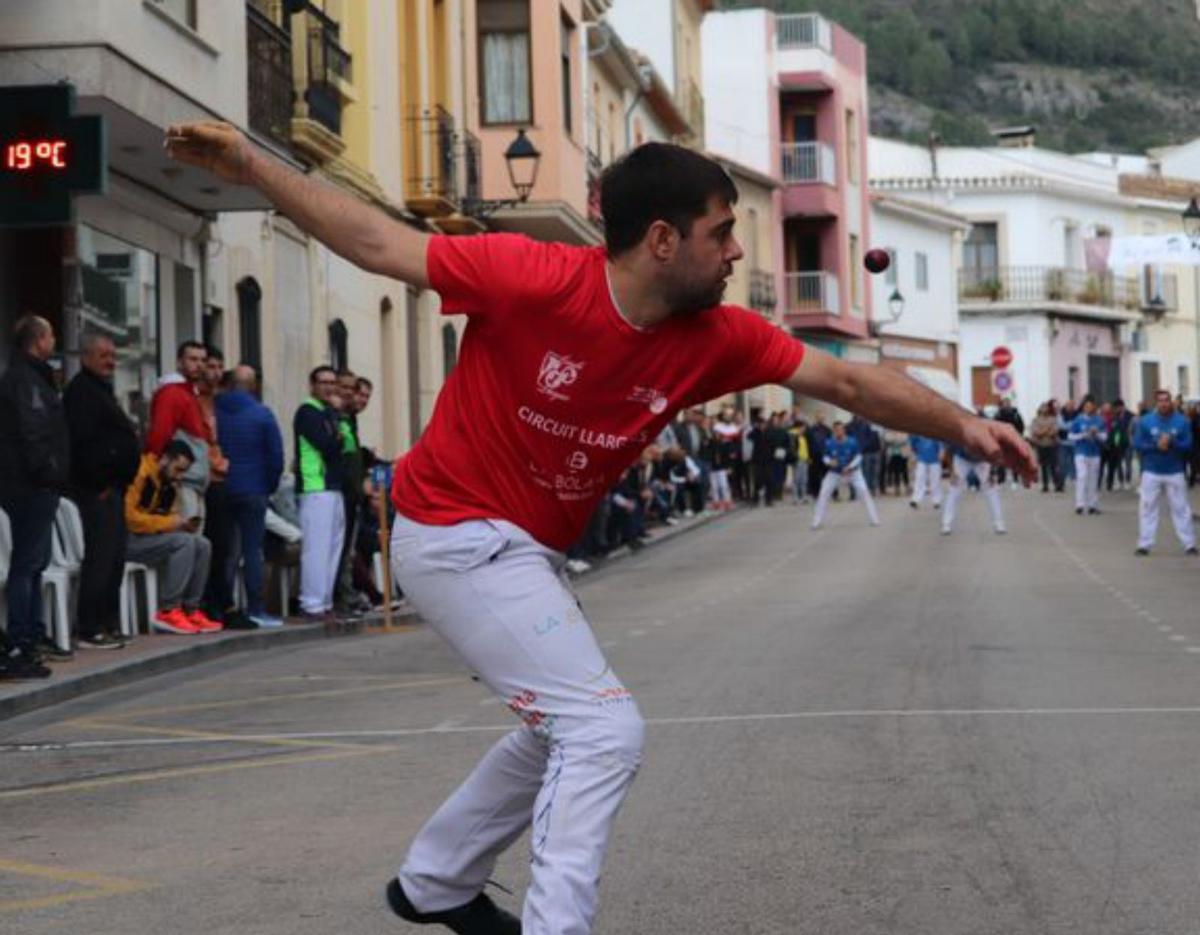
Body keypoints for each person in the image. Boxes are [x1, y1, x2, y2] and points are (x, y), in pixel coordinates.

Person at [167, 122, 1034, 935]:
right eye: (722, 232)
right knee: (602, 728)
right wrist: (251, 163)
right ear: (663, 240)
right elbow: (377, 242)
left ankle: (433, 883)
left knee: (561, 723)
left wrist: (964, 424)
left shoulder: (714, 337)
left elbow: (846, 384)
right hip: (453, 530)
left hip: (524, 551)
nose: (737, 251)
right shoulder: (532, 277)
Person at [0, 315, 69, 678]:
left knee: (35, 564)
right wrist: (50, 472)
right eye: (52, 335)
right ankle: (19, 644)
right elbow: (34, 433)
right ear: (39, 340)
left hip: (33, 484)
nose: (54, 341)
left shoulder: (29, 377)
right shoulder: (26, 381)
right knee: (27, 565)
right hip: (31, 486)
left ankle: (29, 639)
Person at [64, 332, 141, 649]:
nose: (110, 361)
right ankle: (90, 627)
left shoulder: (103, 390)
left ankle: (108, 622)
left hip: (114, 488)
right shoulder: (81, 393)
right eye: (103, 355)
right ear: (85, 357)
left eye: (112, 356)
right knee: (100, 557)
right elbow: (80, 445)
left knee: (115, 558)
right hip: (97, 490)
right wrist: (99, 483)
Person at [124, 441, 222, 634]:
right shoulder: (140, 473)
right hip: (129, 540)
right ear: (165, 459)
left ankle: (191, 609)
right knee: (183, 542)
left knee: (202, 544)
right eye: (177, 469)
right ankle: (168, 609)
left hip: (152, 539)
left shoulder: (169, 484)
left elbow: (169, 516)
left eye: (183, 472)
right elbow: (129, 519)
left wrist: (182, 524)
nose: (180, 476)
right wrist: (170, 524)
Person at [216, 365, 285, 627]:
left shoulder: (216, 411)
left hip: (223, 487)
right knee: (253, 550)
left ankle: (226, 606)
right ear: (253, 386)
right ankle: (255, 607)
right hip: (254, 488)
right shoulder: (262, 414)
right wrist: (268, 485)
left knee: (227, 551)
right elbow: (276, 456)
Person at [144, 340, 222, 522]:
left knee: (192, 542)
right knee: (187, 541)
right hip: (182, 482)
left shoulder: (186, 393)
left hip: (191, 480)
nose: (199, 365)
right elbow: (159, 435)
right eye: (193, 359)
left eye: (203, 360)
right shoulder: (173, 393)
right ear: (179, 362)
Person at [293, 366, 347, 618]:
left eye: (332, 383)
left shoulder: (327, 413)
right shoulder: (308, 412)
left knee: (332, 548)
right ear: (312, 385)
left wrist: (336, 428)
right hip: (316, 486)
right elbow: (328, 445)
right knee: (317, 548)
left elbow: (344, 444)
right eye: (323, 382)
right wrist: (336, 426)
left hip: (333, 488)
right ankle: (311, 602)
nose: (329, 387)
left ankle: (324, 601)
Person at [1133, 389, 1196, 556]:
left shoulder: (1182, 421)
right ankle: (1144, 544)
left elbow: (1188, 444)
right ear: (1156, 403)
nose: (1164, 403)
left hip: (1174, 471)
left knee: (1181, 507)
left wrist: (1172, 442)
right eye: (1160, 400)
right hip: (1152, 470)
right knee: (1147, 507)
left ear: (1171, 402)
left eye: (1166, 400)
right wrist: (1156, 445)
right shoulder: (1145, 421)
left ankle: (1189, 543)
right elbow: (1137, 444)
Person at [811, 421, 880, 529]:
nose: (839, 431)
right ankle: (816, 521)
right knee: (824, 493)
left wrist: (850, 467)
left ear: (844, 430)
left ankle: (874, 519)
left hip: (853, 473)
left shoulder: (852, 442)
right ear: (833, 431)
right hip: (835, 473)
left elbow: (859, 457)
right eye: (836, 430)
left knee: (864, 492)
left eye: (840, 429)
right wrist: (829, 462)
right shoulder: (829, 443)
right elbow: (825, 457)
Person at [941, 446, 1006, 536]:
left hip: (982, 460)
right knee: (954, 490)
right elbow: (948, 451)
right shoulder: (959, 434)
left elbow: (994, 452)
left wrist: (992, 472)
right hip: (962, 459)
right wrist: (952, 472)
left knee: (991, 490)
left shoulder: (985, 433)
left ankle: (999, 523)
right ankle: (946, 524)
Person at [1069, 395, 1107, 515]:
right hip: (1081, 452)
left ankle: (1093, 505)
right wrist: (1082, 435)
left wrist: (1097, 434)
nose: (1089, 409)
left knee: (1093, 478)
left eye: (1091, 407)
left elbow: (1105, 437)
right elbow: (1070, 436)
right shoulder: (1078, 420)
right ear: (1084, 408)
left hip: (1094, 453)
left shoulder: (1099, 420)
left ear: (1094, 407)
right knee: (1082, 476)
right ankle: (1079, 504)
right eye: (1087, 407)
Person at [1028, 402, 1061, 493]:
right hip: (1041, 446)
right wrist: (1046, 430)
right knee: (1043, 466)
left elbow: (1055, 431)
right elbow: (1035, 432)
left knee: (1054, 466)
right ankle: (1045, 485)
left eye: (1046, 407)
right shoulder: (1036, 420)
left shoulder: (1053, 419)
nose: (1044, 409)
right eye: (1043, 408)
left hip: (1052, 445)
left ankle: (1057, 484)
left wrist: (1044, 432)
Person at [908, 435, 943, 509]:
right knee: (919, 478)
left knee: (935, 480)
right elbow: (912, 443)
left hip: (934, 458)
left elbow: (940, 442)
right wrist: (915, 454)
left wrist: (941, 452)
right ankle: (915, 500)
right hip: (922, 458)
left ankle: (936, 500)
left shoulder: (934, 431)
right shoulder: (917, 431)